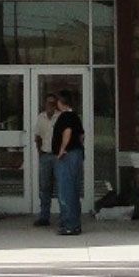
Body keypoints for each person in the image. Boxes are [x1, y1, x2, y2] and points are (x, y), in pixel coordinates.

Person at [50, 89, 85, 236]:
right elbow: (82, 135)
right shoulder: (75, 116)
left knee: (66, 191)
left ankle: (69, 225)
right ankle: (74, 224)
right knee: (74, 190)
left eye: (57, 101)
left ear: (61, 102)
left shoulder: (65, 116)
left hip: (67, 156)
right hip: (76, 155)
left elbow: (67, 132)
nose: (56, 103)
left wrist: (62, 150)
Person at [32, 93, 59, 227]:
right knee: (44, 187)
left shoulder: (60, 117)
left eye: (53, 103)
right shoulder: (40, 117)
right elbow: (37, 136)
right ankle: (44, 217)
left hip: (58, 156)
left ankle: (64, 216)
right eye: (48, 103)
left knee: (61, 187)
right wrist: (40, 152)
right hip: (45, 156)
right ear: (45, 104)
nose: (50, 106)